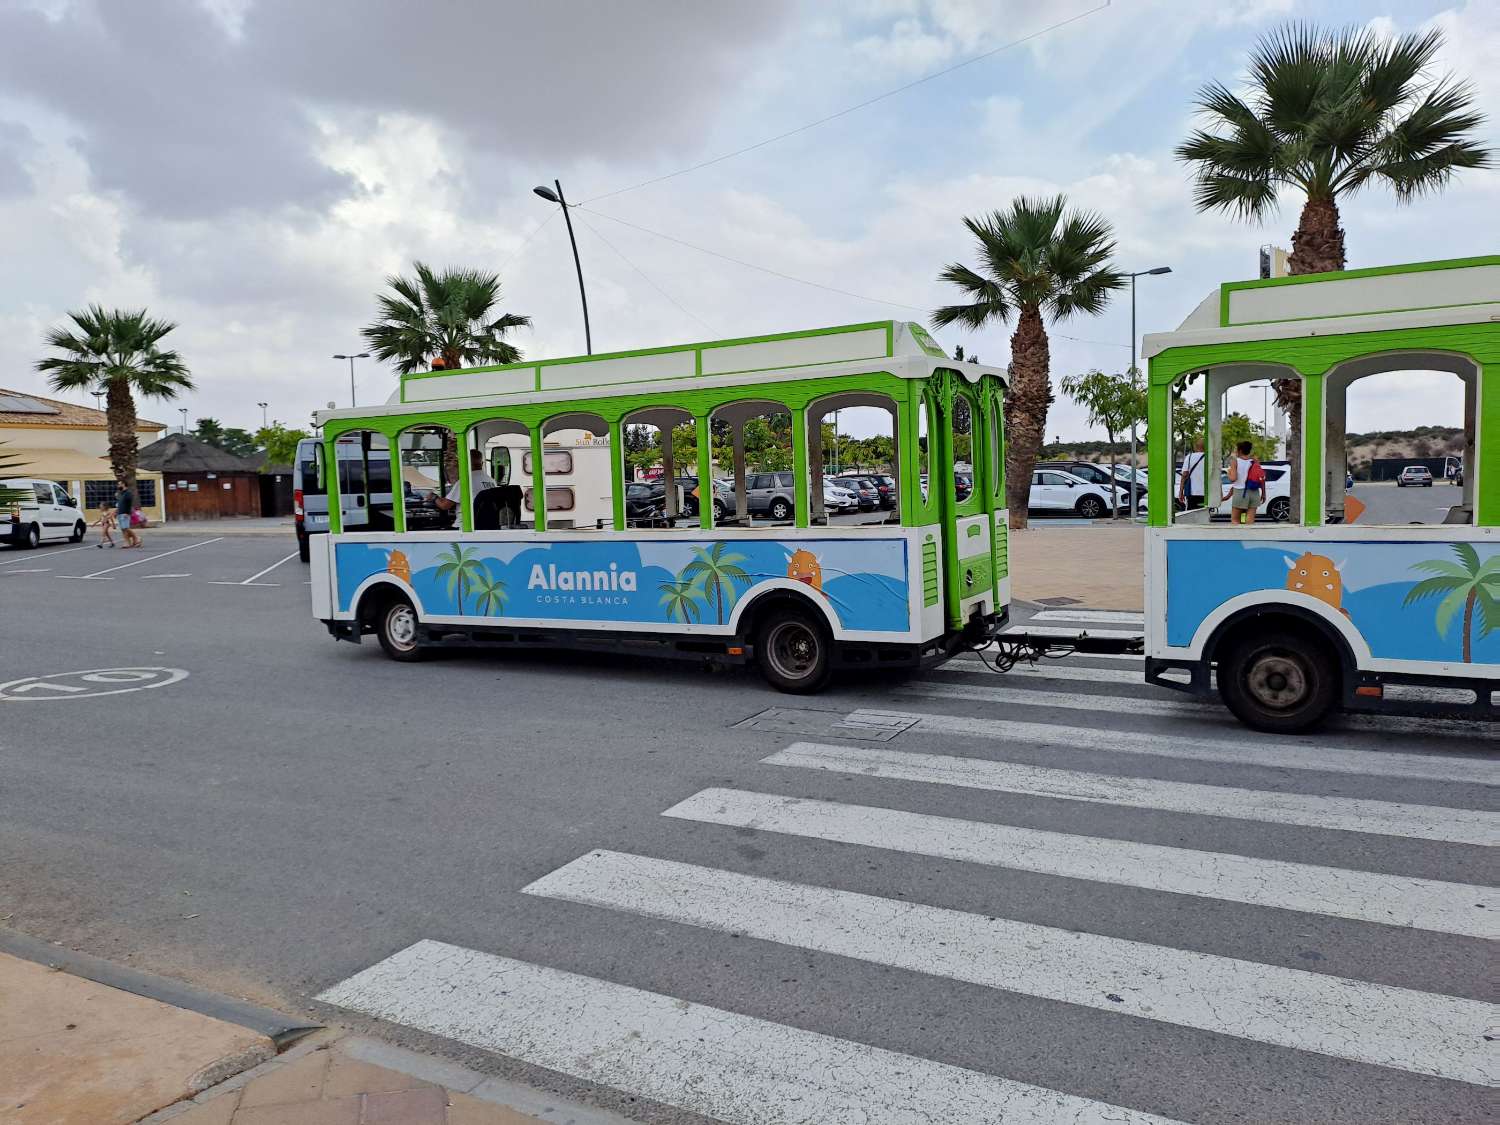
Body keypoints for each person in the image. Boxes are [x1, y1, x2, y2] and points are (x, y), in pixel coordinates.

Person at [432, 449, 497, 518]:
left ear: (465, 463)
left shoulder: (466, 481)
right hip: (483, 521)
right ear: (482, 463)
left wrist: (433, 497)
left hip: (465, 524)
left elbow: (444, 505)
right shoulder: (491, 481)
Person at [1226, 439, 1263, 525]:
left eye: (1236, 449)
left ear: (1240, 451)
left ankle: (1238, 537)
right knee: (1249, 521)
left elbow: (1233, 478)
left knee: (1235, 520)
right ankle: (1248, 537)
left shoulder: (1235, 461)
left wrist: (1229, 473)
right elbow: (1261, 478)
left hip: (1240, 492)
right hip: (1254, 492)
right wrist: (1264, 493)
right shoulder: (1254, 461)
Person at [1177, 439, 1206, 510]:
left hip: (1192, 493)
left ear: (1195, 447)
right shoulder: (1209, 458)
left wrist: (1181, 492)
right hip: (1206, 493)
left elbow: (1184, 475)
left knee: (1192, 514)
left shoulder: (1189, 457)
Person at [114, 479, 142, 548]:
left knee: (126, 528)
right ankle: (127, 542)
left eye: (119, 484)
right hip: (120, 513)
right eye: (118, 484)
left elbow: (129, 504)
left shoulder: (128, 493)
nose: (118, 485)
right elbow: (119, 504)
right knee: (123, 529)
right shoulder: (121, 494)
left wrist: (127, 512)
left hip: (125, 513)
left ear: (123, 484)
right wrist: (116, 512)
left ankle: (137, 538)